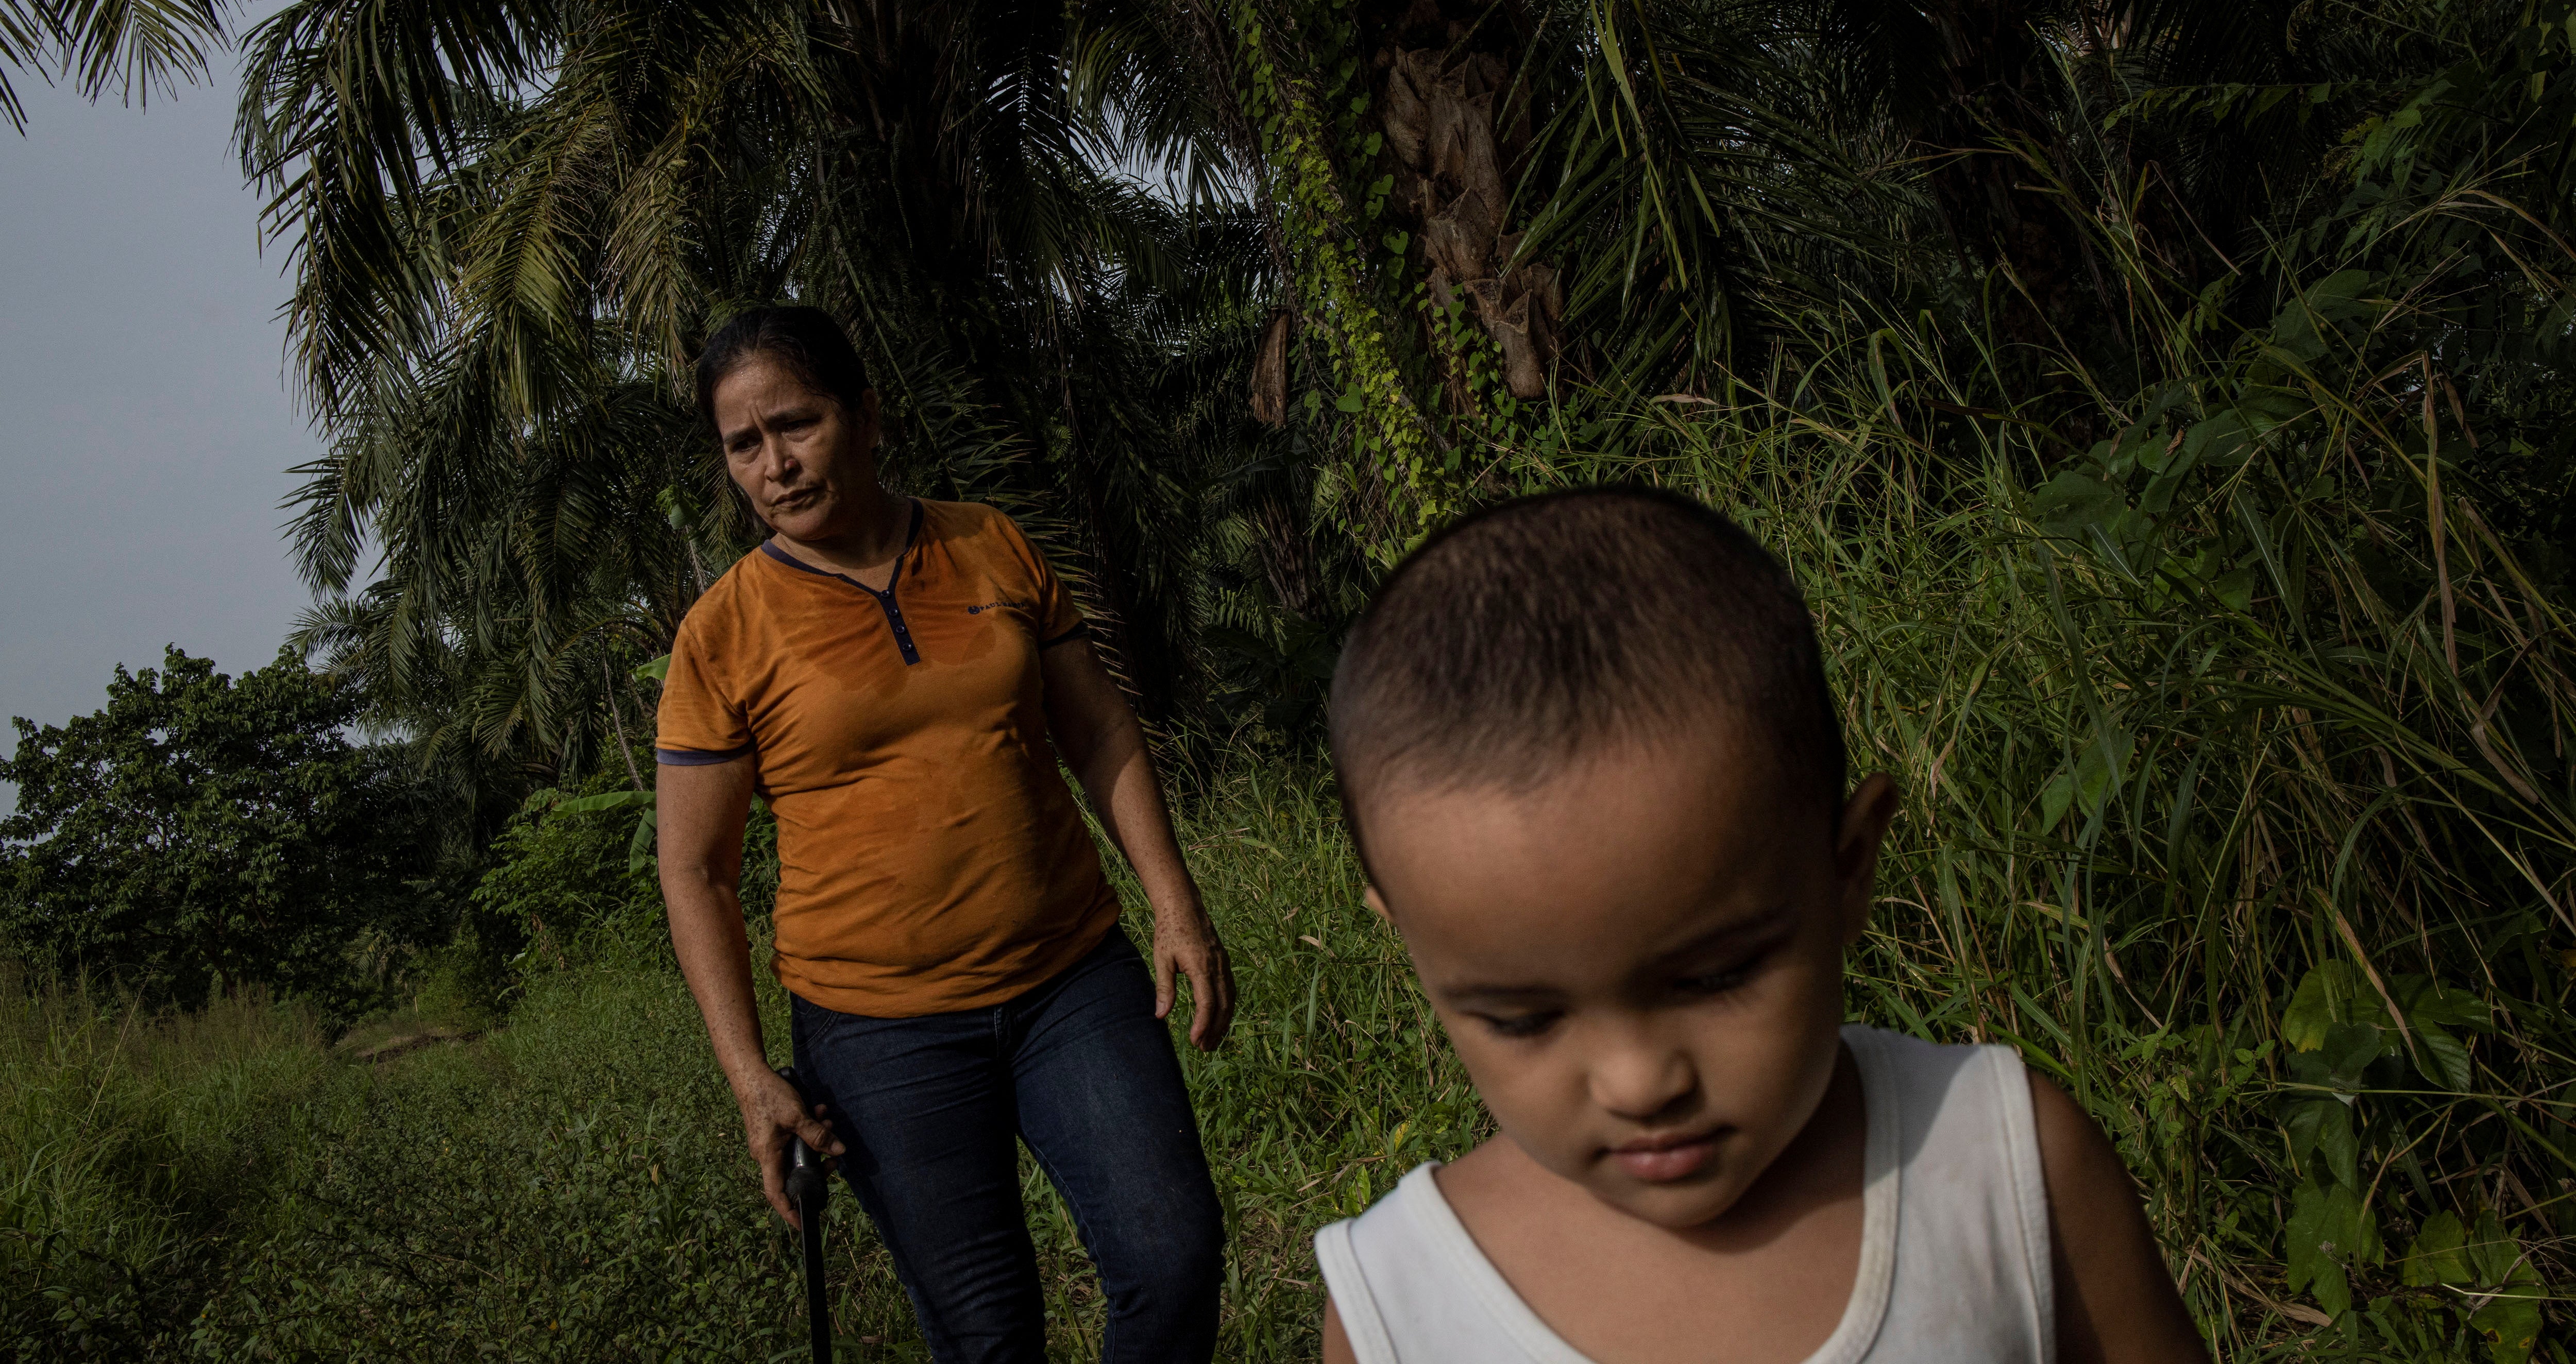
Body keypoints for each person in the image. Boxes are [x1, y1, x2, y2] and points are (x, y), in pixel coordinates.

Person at [1312, 488, 2209, 1364]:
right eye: (1522, 1019)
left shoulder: (2004, 1169)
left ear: (1848, 867)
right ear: (1414, 942)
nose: (1638, 1083)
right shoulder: (1398, 1306)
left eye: (1716, 977)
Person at [653, 305, 1233, 1364]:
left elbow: (1097, 726)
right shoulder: (723, 632)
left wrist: (1175, 906)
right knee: (987, 1337)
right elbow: (696, 870)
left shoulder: (987, 543)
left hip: (1072, 982)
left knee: (1173, 1257)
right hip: (877, 1032)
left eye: (798, 424)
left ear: (865, 417)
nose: (775, 465)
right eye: (744, 444)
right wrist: (751, 1076)